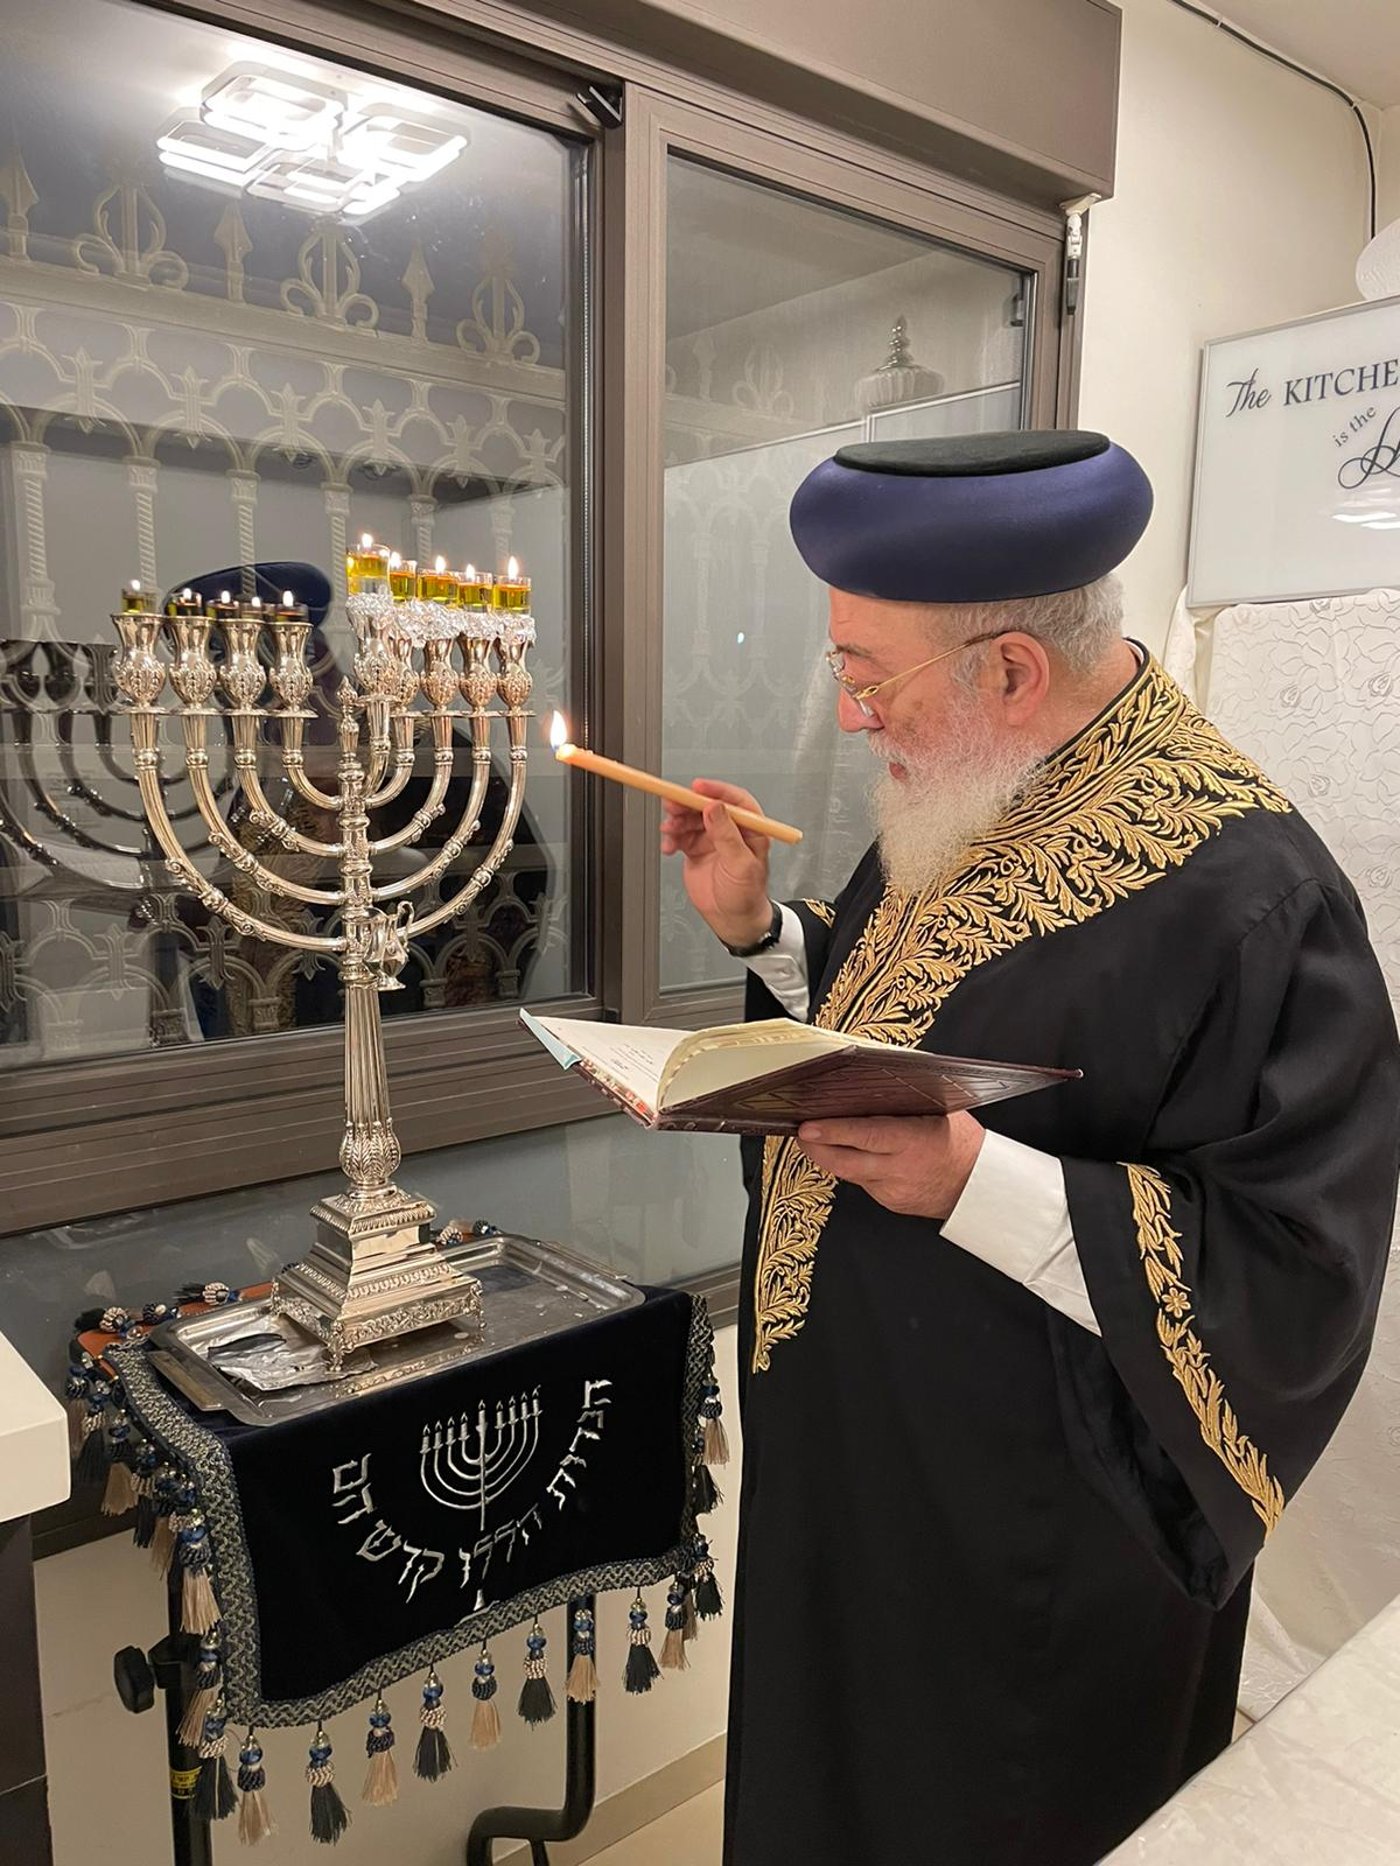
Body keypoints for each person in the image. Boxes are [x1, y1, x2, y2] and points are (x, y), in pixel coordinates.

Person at [659, 431, 1400, 1865]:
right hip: (857, 1480)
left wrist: (976, 1185)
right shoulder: (976, 777)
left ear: (1007, 668)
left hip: (1032, 1566)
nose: (854, 717)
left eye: (870, 676)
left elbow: (1299, 1275)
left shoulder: (1258, 896)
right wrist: (764, 934)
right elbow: (906, 1014)